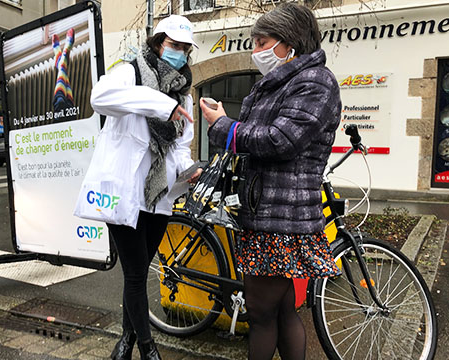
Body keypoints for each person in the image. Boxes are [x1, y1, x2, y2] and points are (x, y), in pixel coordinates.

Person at [200, 4, 342, 360]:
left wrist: (223, 126)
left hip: (282, 217)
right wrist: (228, 130)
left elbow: (280, 140)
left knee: (261, 314)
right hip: (266, 212)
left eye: (263, 41)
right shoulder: (281, 82)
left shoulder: (315, 81)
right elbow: (260, 139)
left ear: (290, 43)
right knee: (279, 311)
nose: (256, 51)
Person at [89, 15, 200, 360]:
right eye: (173, 45)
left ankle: (125, 341)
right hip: (124, 192)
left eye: (184, 48)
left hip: (159, 195)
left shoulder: (183, 91)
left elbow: (182, 144)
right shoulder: (130, 71)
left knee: (136, 275)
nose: (178, 53)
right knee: (136, 274)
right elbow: (99, 97)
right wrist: (160, 104)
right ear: (158, 43)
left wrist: (186, 169)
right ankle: (149, 349)